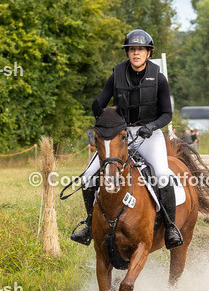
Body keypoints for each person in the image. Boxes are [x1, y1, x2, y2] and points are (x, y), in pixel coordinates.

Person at [70, 28, 183, 250]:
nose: (136, 53)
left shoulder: (159, 78)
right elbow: (102, 102)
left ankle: (170, 227)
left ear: (148, 53)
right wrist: (97, 108)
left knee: (161, 175)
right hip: (121, 134)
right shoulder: (116, 75)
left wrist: (150, 127)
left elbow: (167, 114)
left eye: (140, 49)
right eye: (132, 49)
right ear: (128, 53)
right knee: (89, 177)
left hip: (150, 134)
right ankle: (88, 224)